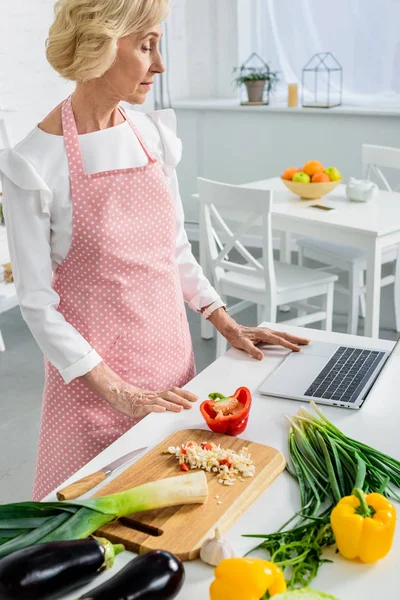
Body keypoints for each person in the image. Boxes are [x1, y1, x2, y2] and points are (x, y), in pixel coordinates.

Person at [0, 0, 309, 500]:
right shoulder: (34, 163)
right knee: (91, 528)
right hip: (93, 388)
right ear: (101, 44)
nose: (160, 65)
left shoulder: (151, 135)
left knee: (168, 516)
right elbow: (36, 303)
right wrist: (118, 391)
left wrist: (225, 320)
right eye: (147, 47)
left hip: (172, 372)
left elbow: (174, 250)